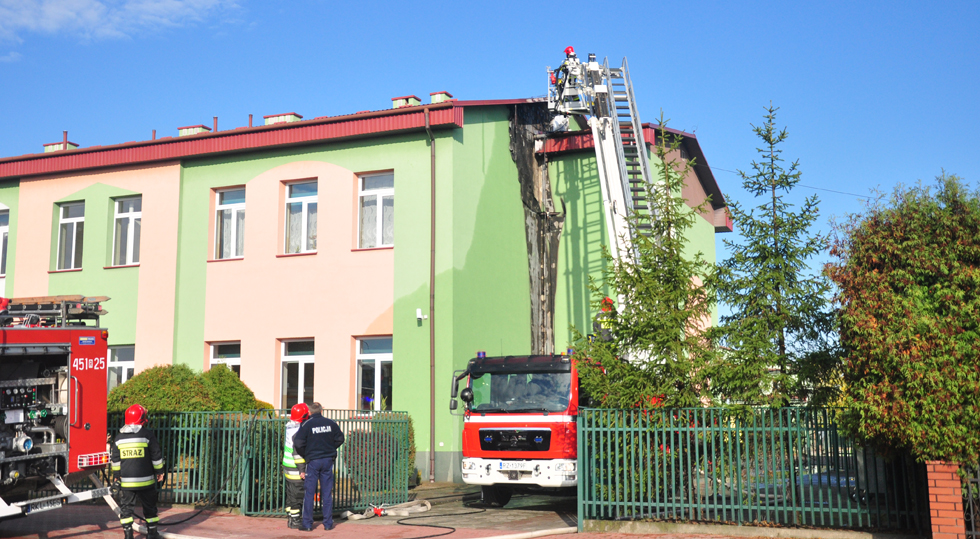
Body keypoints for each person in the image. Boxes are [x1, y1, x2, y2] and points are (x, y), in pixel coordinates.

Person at [110, 404, 165, 539]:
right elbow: (156, 455)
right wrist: (160, 471)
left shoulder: (118, 439)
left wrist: (116, 476)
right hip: (146, 482)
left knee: (126, 510)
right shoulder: (147, 435)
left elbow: (115, 461)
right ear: (141, 419)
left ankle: (128, 535)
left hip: (127, 484)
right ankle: (152, 534)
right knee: (150, 509)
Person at [293, 402, 344, 532]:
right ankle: (328, 524)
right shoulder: (331, 423)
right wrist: (330, 448)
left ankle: (307, 524)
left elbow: (298, 443)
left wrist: (307, 454)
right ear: (321, 411)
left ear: (309, 412)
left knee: (309, 493)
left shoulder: (306, 424)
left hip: (313, 461)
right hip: (328, 460)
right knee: (327, 493)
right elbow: (340, 438)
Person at [282, 403, 310, 529]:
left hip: (288, 466)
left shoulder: (290, 426)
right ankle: (295, 520)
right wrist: (302, 469)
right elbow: (298, 453)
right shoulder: (298, 431)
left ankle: (290, 518)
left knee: (291, 493)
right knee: (297, 495)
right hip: (295, 468)